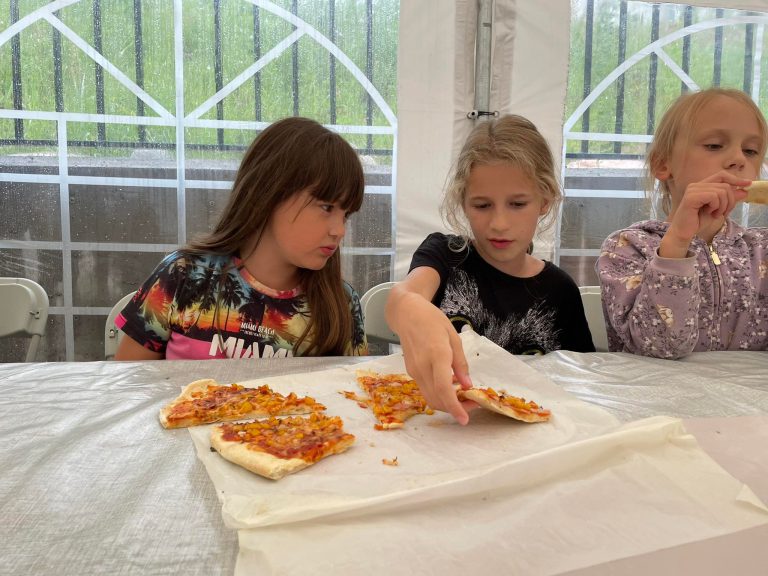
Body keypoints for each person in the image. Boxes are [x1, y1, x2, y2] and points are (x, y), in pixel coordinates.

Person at [385, 114, 595, 424]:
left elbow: (580, 385)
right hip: (446, 428)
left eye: (517, 204)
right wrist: (409, 307)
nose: (499, 223)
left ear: (545, 200)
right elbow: (403, 297)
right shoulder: (445, 255)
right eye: (482, 206)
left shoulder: (560, 291)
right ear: (463, 202)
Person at [115, 117, 368, 360]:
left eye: (346, 215)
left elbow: (356, 389)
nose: (339, 230)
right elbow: (129, 381)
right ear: (268, 192)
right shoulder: (183, 275)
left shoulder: (341, 305)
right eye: (326, 207)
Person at [597, 87, 768, 359]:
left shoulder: (762, 250)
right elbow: (660, 346)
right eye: (714, 145)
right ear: (663, 164)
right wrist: (677, 242)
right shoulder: (626, 248)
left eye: (750, 151)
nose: (738, 159)